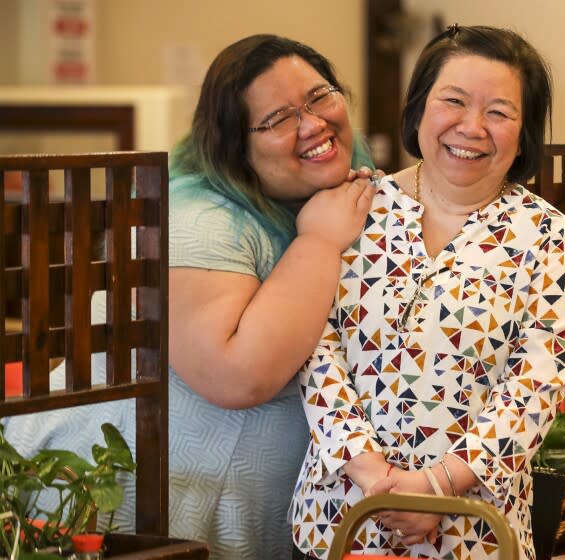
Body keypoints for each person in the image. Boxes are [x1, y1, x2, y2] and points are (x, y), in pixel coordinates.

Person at [2, 34, 376, 559]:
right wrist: (319, 241)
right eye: (276, 119)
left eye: (320, 97)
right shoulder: (197, 219)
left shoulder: (349, 183)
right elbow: (236, 374)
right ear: (233, 146)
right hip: (120, 501)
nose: (312, 124)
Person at [291, 25, 565, 560]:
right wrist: (373, 476)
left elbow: (537, 384)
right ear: (420, 108)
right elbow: (313, 343)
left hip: (472, 531)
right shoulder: (354, 207)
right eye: (453, 101)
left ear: (526, 130)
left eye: (499, 112)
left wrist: (434, 488)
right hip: (341, 516)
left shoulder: (548, 235)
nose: (472, 127)